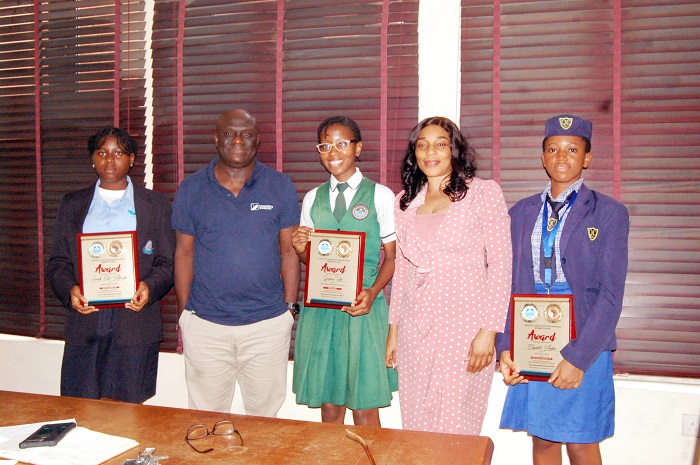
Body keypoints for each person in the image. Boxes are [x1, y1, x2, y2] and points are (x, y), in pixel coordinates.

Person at [496, 115, 629, 465]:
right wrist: (506, 346)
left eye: (572, 150)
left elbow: (611, 295)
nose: (561, 157)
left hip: (584, 336)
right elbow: (508, 285)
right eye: (553, 149)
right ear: (543, 157)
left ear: (587, 158)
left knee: (581, 443)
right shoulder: (520, 212)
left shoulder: (610, 213)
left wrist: (578, 357)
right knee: (543, 440)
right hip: (532, 334)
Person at [386, 116, 512, 434]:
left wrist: (489, 331)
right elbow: (402, 269)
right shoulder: (403, 202)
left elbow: (501, 264)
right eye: (422, 145)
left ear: (454, 150)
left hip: (464, 326)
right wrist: (394, 330)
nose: (431, 152)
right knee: (416, 421)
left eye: (440, 144)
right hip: (415, 326)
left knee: (456, 424)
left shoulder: (482, 193)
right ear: (414, 153)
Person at [172, 108, 300, 417]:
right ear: (217, 139)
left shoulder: (279, 186)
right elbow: (184, 253)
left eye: (247, 134)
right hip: (206, 325)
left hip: (267, 325)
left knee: (264, 419)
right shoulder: (191, 188)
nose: (238, 140)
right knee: (206, 420)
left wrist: (289, 309)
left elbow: (289, 251)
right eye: (230, 133)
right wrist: (186, 315)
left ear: (258, 140)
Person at [48, 127, 175, 404]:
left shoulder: (154, 204)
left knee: (127, 411)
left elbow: (167, 262)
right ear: (92, 159)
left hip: (134, 322)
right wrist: (70, 291)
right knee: (81, 407)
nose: (109, 159)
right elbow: (58, 262)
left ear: (132, 159)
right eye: (102, 153)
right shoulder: (72, 204)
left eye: (118, 153)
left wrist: (149, 288)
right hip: (86, 320)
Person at [291, 116, 398, 426]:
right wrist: (300, 248)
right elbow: (315, 262)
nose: (333, 152)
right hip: (323, 313)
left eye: (342, 144)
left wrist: (373, 293)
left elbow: (392, 258)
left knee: (364, 407)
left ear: (358, 148)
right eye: (325, 146)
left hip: (364, 309)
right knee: (330, 405)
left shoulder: (380, 195)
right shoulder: (313, 198)